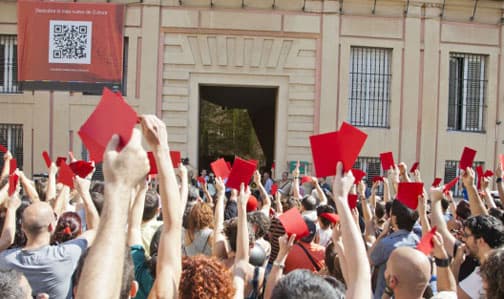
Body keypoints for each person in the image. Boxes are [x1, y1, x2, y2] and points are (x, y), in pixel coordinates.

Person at [369, 199, 420, 299]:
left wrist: (382, 235)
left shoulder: (387, 244)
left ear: (394, 218)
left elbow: (369, 259)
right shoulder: (418, 241)